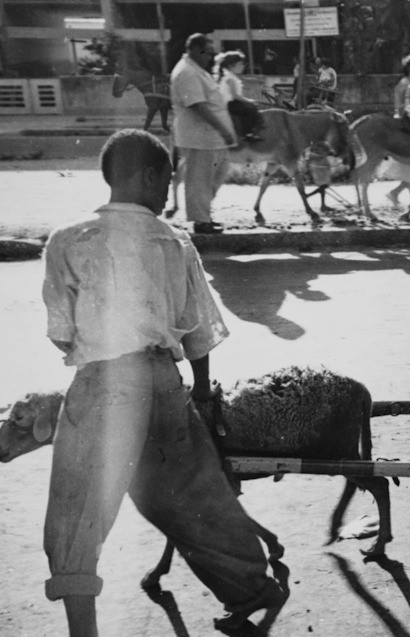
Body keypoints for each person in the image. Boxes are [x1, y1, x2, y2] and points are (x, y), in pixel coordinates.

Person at [40, 129, 286, 637]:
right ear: (149, 176)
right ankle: (252, 588)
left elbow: (61, 335)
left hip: (106, 385)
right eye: (168, 178)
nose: (168, 191)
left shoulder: (69, 239)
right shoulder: (174, 240)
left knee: (78, 508)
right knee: (197, 496)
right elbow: (198, 331)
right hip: (164, 382)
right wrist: (197, 393)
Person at [170, 33, 235, 235]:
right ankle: (201, 222)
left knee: (216, 175)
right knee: (199, 180)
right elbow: (199, 106)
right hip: (199, 138)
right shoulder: (187, 72)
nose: (210, 57)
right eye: (206, 52)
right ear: (194, 50)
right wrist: (223, 129)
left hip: (210, 139)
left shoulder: (198, 70)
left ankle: (203, 215)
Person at [215, 50, 263, 142]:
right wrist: (249, 101)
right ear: (231, 66)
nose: (243, 66)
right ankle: (247, 133)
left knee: (250, 107)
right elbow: (235, 95)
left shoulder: (231, 77)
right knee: (250, 109)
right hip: (230, 103)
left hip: (233, 102)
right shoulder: (230, 78)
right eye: (240, 64)